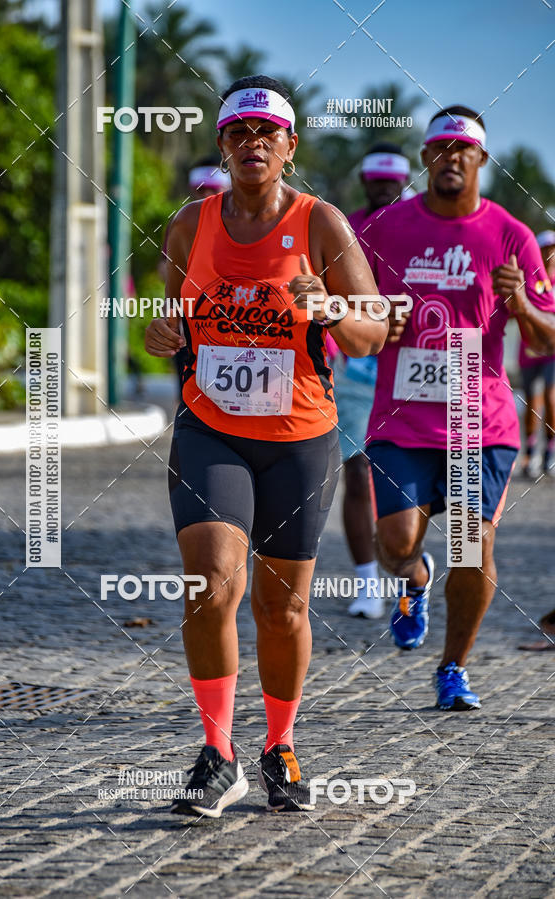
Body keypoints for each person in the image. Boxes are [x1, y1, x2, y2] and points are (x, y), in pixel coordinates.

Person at [145, 75, 387, 816]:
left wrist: (335, 309)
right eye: (239, 133)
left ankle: (279, 742)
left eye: (267, 133)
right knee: (212, 581)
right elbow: (169, 326)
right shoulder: (191, 224)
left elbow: (375, 327)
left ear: (289, 146)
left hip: (301, 439)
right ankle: (217, 752)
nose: (253, 144)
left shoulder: (324, 225)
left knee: (282, 609)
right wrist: (158, 336)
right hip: (210, 427)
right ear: (223, 144)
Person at [357, 106, 555, 710]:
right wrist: (371, 320)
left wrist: (521, 304)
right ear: (425, 159)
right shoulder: (384, 229)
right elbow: (348, 308)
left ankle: (452, 669)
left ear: (482, 161)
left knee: (474, 544)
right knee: (393, 542)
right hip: (402, 418)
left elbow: (547, 339)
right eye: (439, 148)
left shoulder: (512, 235)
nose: (451, 159)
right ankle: (414, 581)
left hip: (480, 421)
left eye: (463, 149)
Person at [332, 143, 411, 618]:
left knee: (409, 481)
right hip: (358, 368)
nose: (384, 187)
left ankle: (410, 570)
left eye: (392, 180)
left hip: (418, 373)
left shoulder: (425, 228)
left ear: (405, 181)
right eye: (376, 180)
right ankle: (368, 584)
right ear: (364, 180)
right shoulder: (342, 226)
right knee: (357, 474)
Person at [158, 157, 231, 396]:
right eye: (200, 190)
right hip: (188, 326)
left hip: (236, 326)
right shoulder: (182, 223)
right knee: (188, 393)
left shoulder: (247, 224)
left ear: (228, 188)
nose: (206, 194)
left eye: (213, 189)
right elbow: (164, 270)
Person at [518, 229, 555, 477]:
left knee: (551, 398)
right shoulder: (529, 280)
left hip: (553, 351)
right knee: (532, 400)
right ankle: (530, 451)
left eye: (553, 249)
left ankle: (549, 453)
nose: (550, 254)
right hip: (529, 349)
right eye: (546, 249)